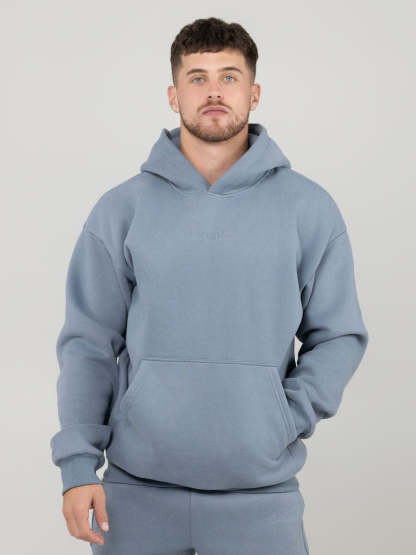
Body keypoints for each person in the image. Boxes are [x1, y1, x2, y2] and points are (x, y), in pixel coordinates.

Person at [50, 16, 369, 555]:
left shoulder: (308, 208)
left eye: (229, 76)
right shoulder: (122, 209)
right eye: (197, 78)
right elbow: (88, 343)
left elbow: (338, 335)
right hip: (135, 495)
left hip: (261, 499)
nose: (214, 91)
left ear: (254, 93)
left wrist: (282, 416)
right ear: (173, 95)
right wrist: (78, 465)